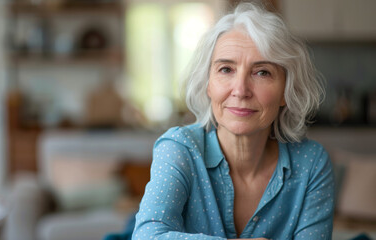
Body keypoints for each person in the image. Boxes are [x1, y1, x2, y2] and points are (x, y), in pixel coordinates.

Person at [132, 2, 334, 240]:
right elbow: (147, 236)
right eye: (226, 69)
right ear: (208, 84)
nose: (240, 90)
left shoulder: (311, 163)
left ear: (286, 92)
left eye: (262, 72)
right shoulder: (179, 148)